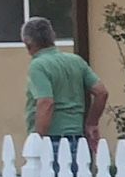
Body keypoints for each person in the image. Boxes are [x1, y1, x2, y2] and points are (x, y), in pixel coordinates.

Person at [21, 16, 107, 153]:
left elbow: (46, 102)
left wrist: (38, 141)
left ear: (27, 43)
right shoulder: (76, 61)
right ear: (53, 37)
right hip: (78, 139)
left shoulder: (38, 66)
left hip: (52, 140)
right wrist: (92, 123)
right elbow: (101, 92)